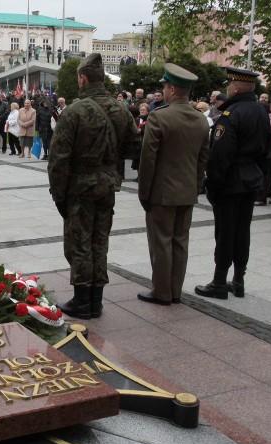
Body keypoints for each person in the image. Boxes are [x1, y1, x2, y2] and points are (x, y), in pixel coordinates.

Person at [48, 53, 139, 319]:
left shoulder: (74, 112)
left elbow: (59, 159)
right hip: (107, 185)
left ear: (83, 78)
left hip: (80, 188)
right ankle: (96, 300)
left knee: (79, 243)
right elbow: (134, 146)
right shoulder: (121, 109)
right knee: (100, 241)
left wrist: (58, 194)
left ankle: (82, 300)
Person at [195, 67, 271, 299]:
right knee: (241, 231)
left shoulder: (231, 114)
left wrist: (213, 184)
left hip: (230, 181)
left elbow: (220, 155)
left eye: (229, 85)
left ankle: (219, 281)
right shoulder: (260, 111)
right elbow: (265, 150)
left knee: (225, 232)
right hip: (250, 179)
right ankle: (238, 280)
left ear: (236, 88)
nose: (228, 88)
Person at [137, 63, 209, 306]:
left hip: (162, 193)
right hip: (187, 192)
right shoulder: (200, 120)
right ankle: (175, 291)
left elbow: (148, 160)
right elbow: (202, 159)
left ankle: (161, 292)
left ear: (172, 89)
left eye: (165, 87)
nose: (164, 91)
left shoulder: (160, 117)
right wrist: (196, 186)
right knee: (180, 241)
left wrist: (144, 193)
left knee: (161, 242)